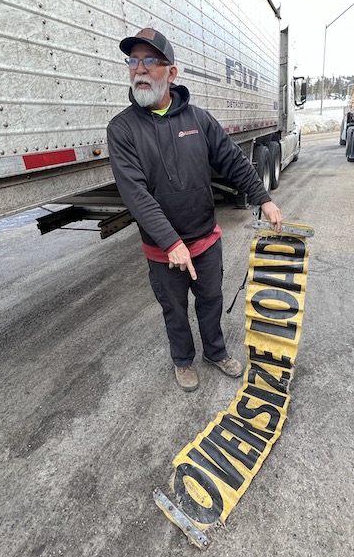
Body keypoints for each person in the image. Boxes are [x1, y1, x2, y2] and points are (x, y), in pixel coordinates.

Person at [107, 28, 283, 392]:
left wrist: (263, 198)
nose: (139, 69)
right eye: (133, 61)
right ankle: (182, 360)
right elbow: (135, 193)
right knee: (174, 311)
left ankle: (215, 352)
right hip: (162, 249)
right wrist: (171, 242)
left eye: (150, 61)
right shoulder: (122, 129)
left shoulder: (199, 120)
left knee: (210, 301)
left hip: (204, 241)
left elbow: (234, 162)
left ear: (171, 72)